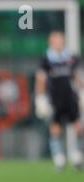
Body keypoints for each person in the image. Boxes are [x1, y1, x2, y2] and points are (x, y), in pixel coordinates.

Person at [35, 31, 83, 170]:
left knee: (79, 128)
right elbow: (41, 79)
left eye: (60, 40)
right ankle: (59, 158)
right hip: (54, 98)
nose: (58, 43)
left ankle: (77, 155)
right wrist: (40, 98)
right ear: (50, 43)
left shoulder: (72, 58)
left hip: (71, 97)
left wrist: (82, 91)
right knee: (56, 129)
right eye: (55, 41)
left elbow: (78, 76)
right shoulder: (46, 59)